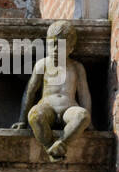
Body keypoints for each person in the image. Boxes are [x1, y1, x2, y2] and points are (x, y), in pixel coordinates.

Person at [12, 21, 91, 162]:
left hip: (69, 109)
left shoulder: (77, 67)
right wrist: (22, 120)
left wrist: (89, 121)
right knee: (35, 116)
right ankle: (50, 146)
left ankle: (61, 144)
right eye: (51, 44)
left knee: (83, 116)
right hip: (47, 107)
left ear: (71, 49)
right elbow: (30, 92)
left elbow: (84, 94)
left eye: (60, 46)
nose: (54, 50)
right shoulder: (42, 64)